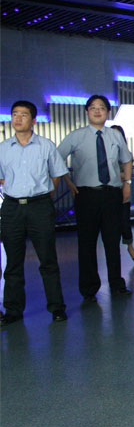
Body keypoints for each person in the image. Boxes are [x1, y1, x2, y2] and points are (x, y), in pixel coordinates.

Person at [0, 101, 69, 326]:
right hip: (11, 207)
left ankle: (57, 308)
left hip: (39, 206)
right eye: (14, 114)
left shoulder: (45, 146)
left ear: (33, 120)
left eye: (23, 114)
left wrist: (42, 196)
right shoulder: (3, 148)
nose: (18, 118)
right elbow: (2, 178)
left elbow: (56, 175)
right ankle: (13, 310)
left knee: (48, 259)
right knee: (13, 261)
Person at [58, 94, 133, 301]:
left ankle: (117, 284)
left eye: (101, 107)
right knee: (87, 243)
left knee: (112, 241)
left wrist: (127, 183)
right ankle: (89, 289)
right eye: (93, 107)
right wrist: (68, 181)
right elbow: (56, 158)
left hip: (112, 194)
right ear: (87, 112)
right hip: (86, 195)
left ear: (108, 112)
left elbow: (127, 160)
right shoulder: (76, 136)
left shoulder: (115, 135)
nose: (97, 111)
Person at [111, 125, 134, 263]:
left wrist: (115, 174)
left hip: (123, 191)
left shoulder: (126, 154)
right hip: (108, 192)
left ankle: (130, 246)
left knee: (124, 221)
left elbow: (127, 174)